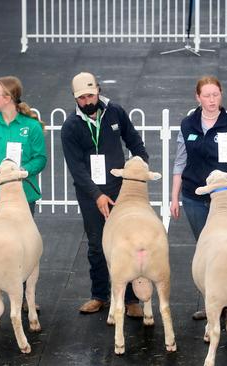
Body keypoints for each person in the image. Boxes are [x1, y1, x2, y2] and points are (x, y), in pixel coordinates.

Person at [60, 72, 149, 317]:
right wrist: (97, 195)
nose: (87, 101)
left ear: (98, 90)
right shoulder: (70, 127)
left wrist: (140, 166)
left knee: (128, 242)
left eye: (90, 95)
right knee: (97, 244)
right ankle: (99, 295)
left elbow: (134, 141)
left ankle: (131, 300)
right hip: (90, 194)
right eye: (81, 98)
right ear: (75, 98)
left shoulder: (116, 112)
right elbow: (76, 168)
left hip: (122, 189)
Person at [169, 76, 227, 321]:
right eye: (207, 95)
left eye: (216, 95)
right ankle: (212, 303)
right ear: (197, 97)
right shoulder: (187, 125)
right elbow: (180, 162)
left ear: (221, 95)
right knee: (206, 251)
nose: (212, 100)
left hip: (223, 201)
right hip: (193, 198)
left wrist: (224, 178)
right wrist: (174, 197)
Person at [0, 75, 47, 313]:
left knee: (23, 246)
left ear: (8, 98)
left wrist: (23, 171)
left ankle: (25, 296)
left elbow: (40, 159)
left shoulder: (31, 127)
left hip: (22, 197)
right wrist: (1, 172)